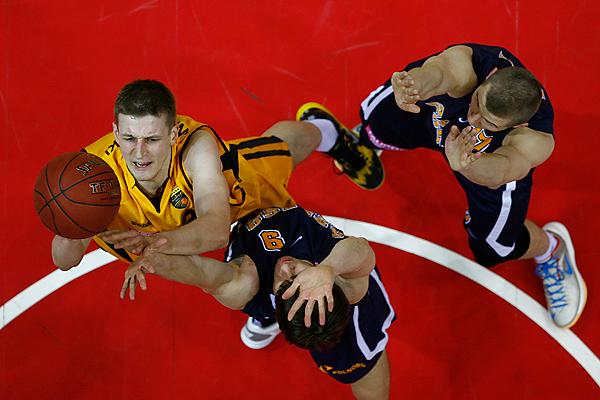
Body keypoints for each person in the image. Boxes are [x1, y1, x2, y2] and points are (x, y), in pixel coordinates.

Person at [296, 43, 586, 329]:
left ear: (516, 126)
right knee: (377, 118)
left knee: (495, 247)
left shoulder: (534, 139)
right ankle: (365, 143)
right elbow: (441, 71)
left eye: (489, 122)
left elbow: (503, 170)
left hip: (481, 162)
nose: (474, 118)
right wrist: (412, 85)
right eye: (478, 102)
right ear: (488, 79)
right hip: (438, 115)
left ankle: (551, 249)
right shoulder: (473, 66)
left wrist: (467, 164)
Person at [51, 79, 377, 270]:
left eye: (151, 139)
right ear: (114, 132)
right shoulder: (91, 176)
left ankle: (327, 132)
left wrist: (151, 243)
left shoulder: (198, 146)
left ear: (173, 134)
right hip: (169, 233)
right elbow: (65, 261)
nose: (139, 153)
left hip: (238, 195)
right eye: (128, 138)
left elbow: (216, 229)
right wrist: (71, 227)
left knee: (283, 148)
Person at [120, 205, 394, 399]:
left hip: (251, 209)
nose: (285, 268)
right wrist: (329, 268)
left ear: (276, 300)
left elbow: (199, 272)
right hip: (277, 204)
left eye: (284, 282)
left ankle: (269, 319)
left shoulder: (244, 285)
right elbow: (361, 250)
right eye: (298, 276)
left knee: (358, 363)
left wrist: (153, 260)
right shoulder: (345, 284)